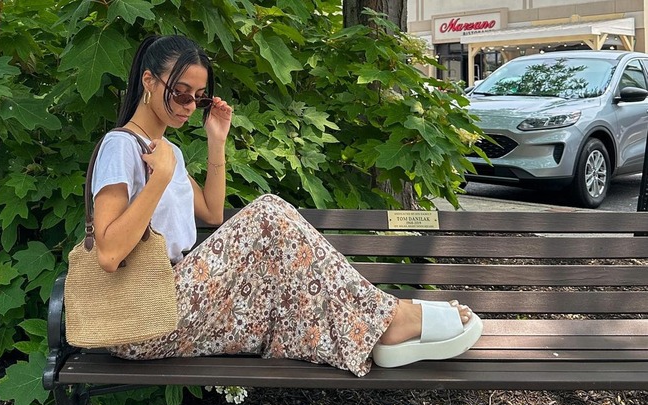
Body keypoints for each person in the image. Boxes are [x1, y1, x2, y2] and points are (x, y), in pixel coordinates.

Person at [91, 34, 482, 377]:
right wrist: (158, 179)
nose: (190, 106)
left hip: (174, 306)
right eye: (180, 93)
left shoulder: (168, 151)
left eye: (199, 97)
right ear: (148, 80)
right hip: (139, 315)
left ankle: (376, 325)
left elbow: (211, 213)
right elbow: (108, 254)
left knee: (282, 279)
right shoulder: (121, 146)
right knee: (268, 214)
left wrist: (216, 140)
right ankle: (390, 318)